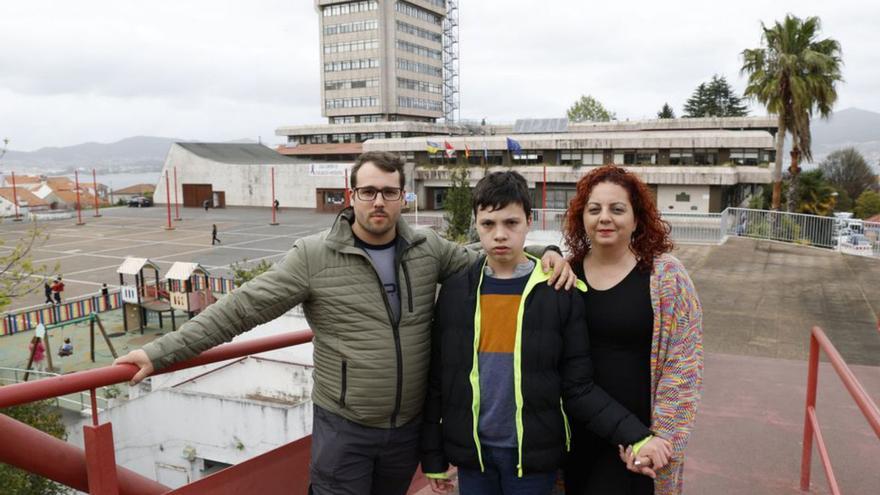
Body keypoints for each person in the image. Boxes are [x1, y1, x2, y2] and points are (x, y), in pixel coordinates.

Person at [113, 151, 575, 495]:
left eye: (390, 192)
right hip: (346, 429)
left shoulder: (427, 249)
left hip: (405, 432)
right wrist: (160, 352)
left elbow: (493, 254)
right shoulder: (313, 256)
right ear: (350, 196)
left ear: (402, 198)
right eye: (368, 191)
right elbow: (241, 308)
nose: (379, 201)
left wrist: (547, 256)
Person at [421, 172, 670, 495]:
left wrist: (637, 434)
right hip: (474, 459)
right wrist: (432, 457)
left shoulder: (558, 291)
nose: (500, 235)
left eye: (511, 223)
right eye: (488, 224)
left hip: (532, 461)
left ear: (528, 221)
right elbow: (440, 381)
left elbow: (577, 386)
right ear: (476, 223)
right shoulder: (455, 293)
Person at [561, 165, 703, 495]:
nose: (604, 218)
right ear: (582, 218)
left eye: (617, 209)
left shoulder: (667, 277)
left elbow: (683, 367)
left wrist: (661, 441)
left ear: (637, 219)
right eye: (594, 209)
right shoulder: (565, 275)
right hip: (575, 433)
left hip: (640, 440)